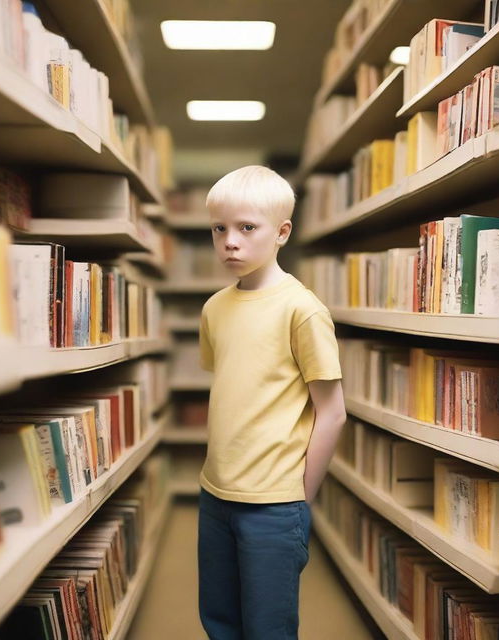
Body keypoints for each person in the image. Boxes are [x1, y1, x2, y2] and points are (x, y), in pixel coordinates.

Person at [197, 165, 347, 640]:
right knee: (219, 620)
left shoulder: (302, 310)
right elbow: (233, 390)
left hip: (275, 503)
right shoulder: (215, 308)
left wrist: (302, 497)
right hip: (215, 493)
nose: (230, 242)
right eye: (219, 228)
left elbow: (333, 411)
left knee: (268, 629)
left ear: (282, 232)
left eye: (246, 228)